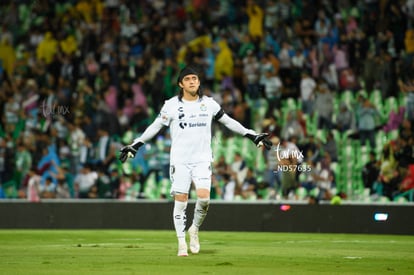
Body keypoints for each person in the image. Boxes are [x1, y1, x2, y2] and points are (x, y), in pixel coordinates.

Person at [119, 66, 272, 256]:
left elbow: (229, 121)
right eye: (188, 79)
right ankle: (181, 243)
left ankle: (194, 229)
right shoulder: (171, 105)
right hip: (180, 160)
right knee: (181, 201)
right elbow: (155, 126)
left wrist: (251, 134)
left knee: (204, 198)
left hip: (202, 159)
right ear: (180, 84)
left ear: (199, 82)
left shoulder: (209, 104)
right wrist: (136, 144)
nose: (192, 81)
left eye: (195, 78)